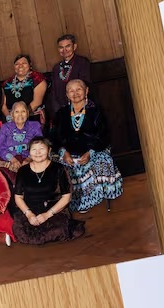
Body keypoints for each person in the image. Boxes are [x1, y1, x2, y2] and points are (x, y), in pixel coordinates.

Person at [51, 79, 122, 212]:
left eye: (79, 89)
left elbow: (104, 135)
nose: (75, 93)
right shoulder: (61, 114)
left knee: (102, 160)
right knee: (55, 165)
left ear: (86, 91)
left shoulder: (96, 111)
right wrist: (63, 152)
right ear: (67, 95)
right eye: (71, 91)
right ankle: (69, 202)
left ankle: (96, 196)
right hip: (68, 154)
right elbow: (54, 137)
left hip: (92, 150)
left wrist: (90, 152)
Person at [13, 137, 85, 244]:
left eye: (41, 148)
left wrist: (47, 214)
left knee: (57, 230)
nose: (38, 152)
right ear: (29, 152)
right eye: (34, 149)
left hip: (53, 209)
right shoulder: (23, 171)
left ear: (49, 150)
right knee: (22, 231)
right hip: (30, 209)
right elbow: (18, 197)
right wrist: (29, 214)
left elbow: (67, 197)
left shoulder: (59, 168)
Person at [0, 101, 43, 184]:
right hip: (9, 159)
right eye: (17, 112)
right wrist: (12, 159)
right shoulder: (5, 127)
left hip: (29, 158)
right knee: (3, 174)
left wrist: (29, 158)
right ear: (12, 114)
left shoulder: (35, 126)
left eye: (23, 111)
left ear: (28, 113)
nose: (20, 114)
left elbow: (39, 145)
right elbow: (1, 147)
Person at [47, 34, 92, 120]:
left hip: (81, 108)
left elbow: (85, 85)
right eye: (61, 47)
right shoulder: (56, 68)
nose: (64, 50)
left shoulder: (82, 62)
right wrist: (58, 110)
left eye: (68, 46)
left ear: (74, 47)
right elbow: (53, 91)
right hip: (61, 110)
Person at [1, 55, 47, 123]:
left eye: (24, 63)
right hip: (11, 119)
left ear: (30, 65)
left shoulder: (38, 79)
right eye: (17, 64)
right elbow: (3, 104)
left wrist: (21, 117)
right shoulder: (7, 82)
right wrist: (10, 117)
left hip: (32, 116)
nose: (20, 66)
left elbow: (37, 102)